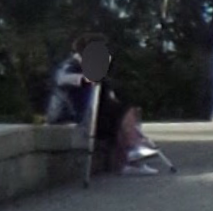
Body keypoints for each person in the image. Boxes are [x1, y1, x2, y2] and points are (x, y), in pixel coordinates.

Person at [46, 34, 159, 175]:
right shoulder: (70, 64)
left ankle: (130, 158)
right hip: (70, 115)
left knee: (124, 112)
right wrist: (84, 79)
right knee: (120, 113)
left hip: (90, 114)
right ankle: (133, 150)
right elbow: (62, 78)